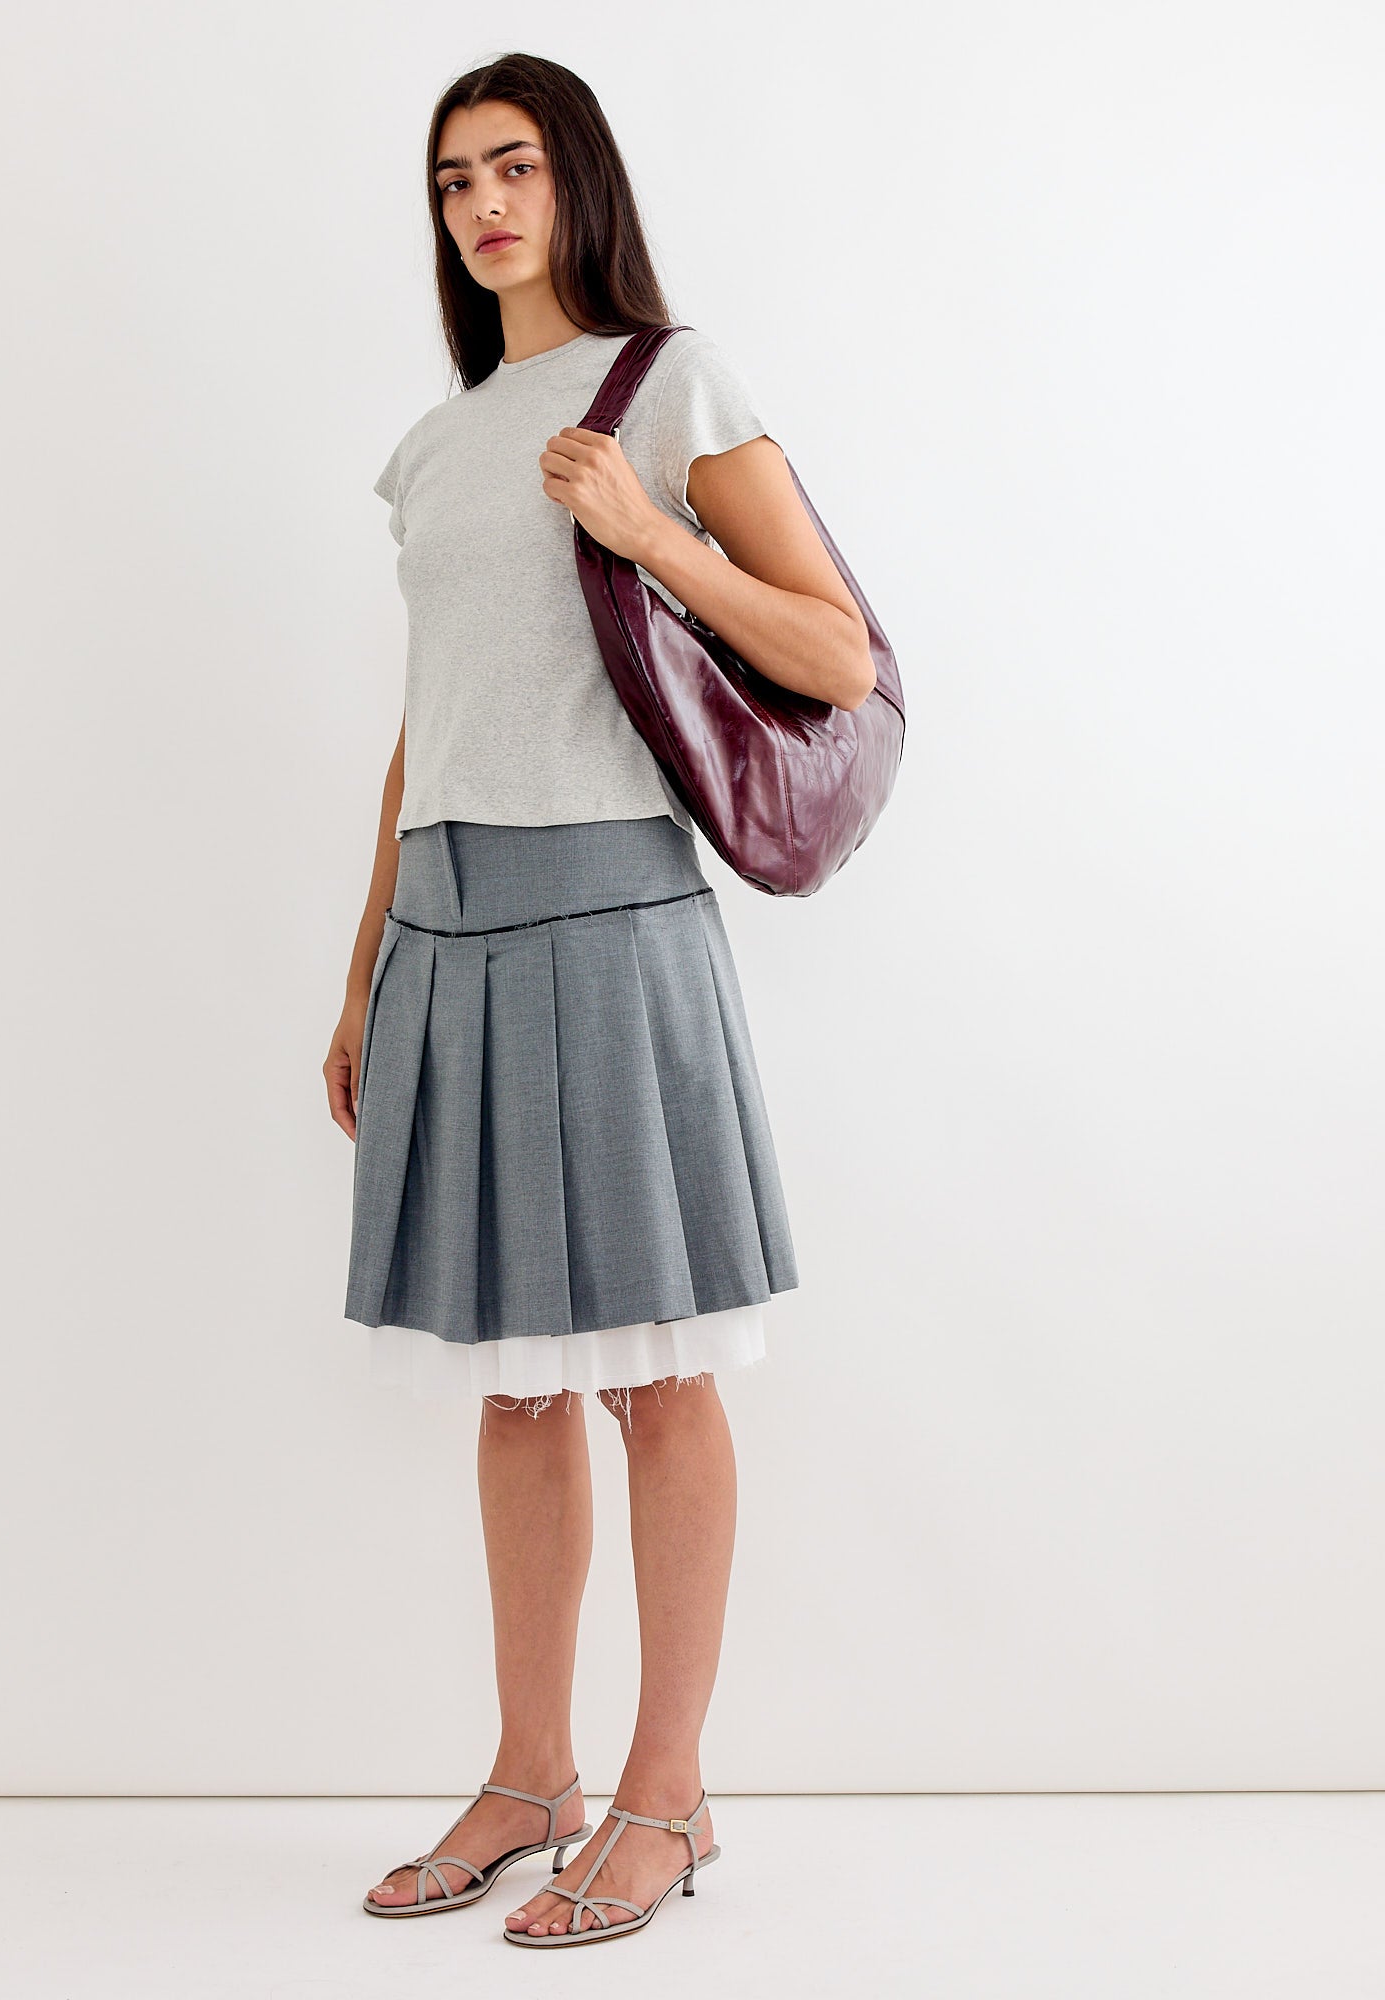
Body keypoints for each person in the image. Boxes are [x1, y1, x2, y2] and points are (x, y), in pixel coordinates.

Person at [326, 53, 876, 1948]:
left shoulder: (675, 387)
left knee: (652, 1372)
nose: (485, 206)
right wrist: (363, 966)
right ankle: (528, 1771)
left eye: (518, 170)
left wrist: (654, 535)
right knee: (509, 1393)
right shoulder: (438, 439)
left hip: (614, 921)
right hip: (452, 931)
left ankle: (668, 1795)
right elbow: (433, 730)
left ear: (580, 188)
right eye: (457, 178)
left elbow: (840, 653)